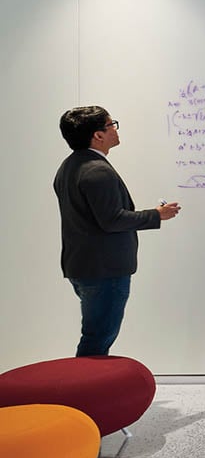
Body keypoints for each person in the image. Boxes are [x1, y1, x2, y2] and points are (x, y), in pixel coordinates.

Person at [54, 105, 180, 357]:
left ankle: (86, 382)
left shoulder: (69, 166)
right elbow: (112, 220)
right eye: (112, 124)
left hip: (84, 266)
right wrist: (157, 215)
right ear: (98, 135)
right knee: (97, 340)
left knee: (96, 335)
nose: (115, 129)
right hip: (104, 271)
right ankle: (83, 384)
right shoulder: (97, 170)